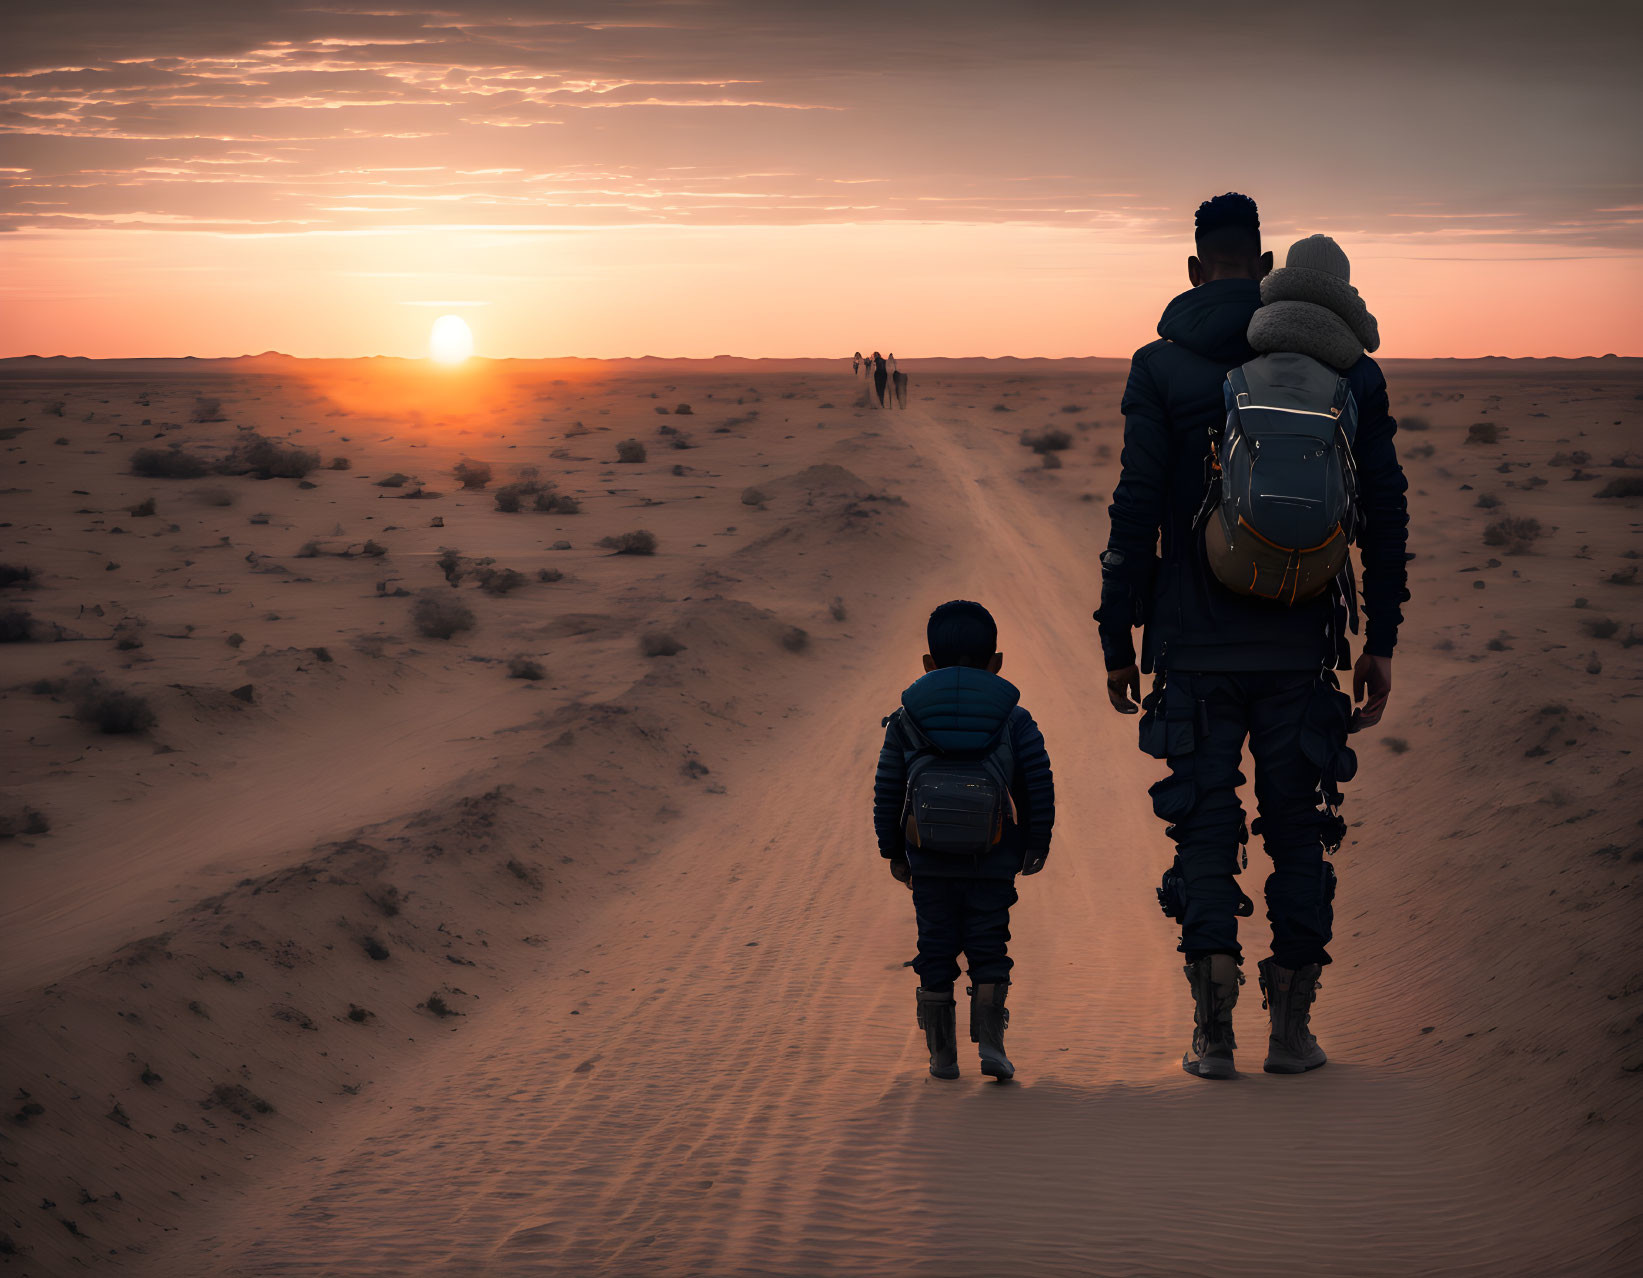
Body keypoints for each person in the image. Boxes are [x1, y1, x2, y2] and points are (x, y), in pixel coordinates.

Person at [1094, 194, 1409, 1080]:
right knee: (1298, 827)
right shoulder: (1339, 366)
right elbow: (1383, 511)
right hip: (1301, 638)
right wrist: (1378, 636)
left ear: (1194, 268)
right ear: (1264, 262)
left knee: (1203, 824)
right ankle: (1293, 1030)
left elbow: (1135, 508)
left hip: (1191, 646)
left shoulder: (1158, 366)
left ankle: (1212, 1024)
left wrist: (1117, 632)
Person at [874, 600, 1055, 1081]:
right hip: (993, 859)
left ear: (928, 665)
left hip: (928, 860)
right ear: (996, 662)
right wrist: (1036, 841)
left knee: (935, 947)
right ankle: (992, 1045)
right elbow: (1036, 783)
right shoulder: (1014, 718)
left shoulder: (906, 717)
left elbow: (889, 788)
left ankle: (942, 1055)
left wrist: (892, 850)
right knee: (988, 944)